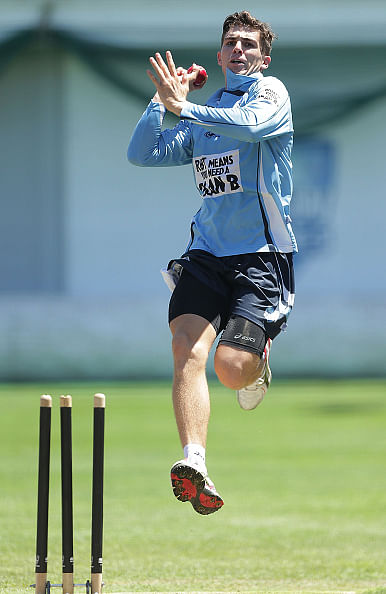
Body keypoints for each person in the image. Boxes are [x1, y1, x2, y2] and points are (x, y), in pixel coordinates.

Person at [127, 10, 296, 515]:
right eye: (231, 43)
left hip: (262, 257)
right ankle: (194, 461)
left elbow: (251, 127)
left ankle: (257, 362)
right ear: (220, 56)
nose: (239, 50)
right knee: (186, 346)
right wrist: (161, 103)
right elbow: (143, 153)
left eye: (248, 44)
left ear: (262, 58)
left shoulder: (272, 96)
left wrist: (188, 107)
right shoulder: (205, 114)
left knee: (231, 368)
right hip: (205, 254)